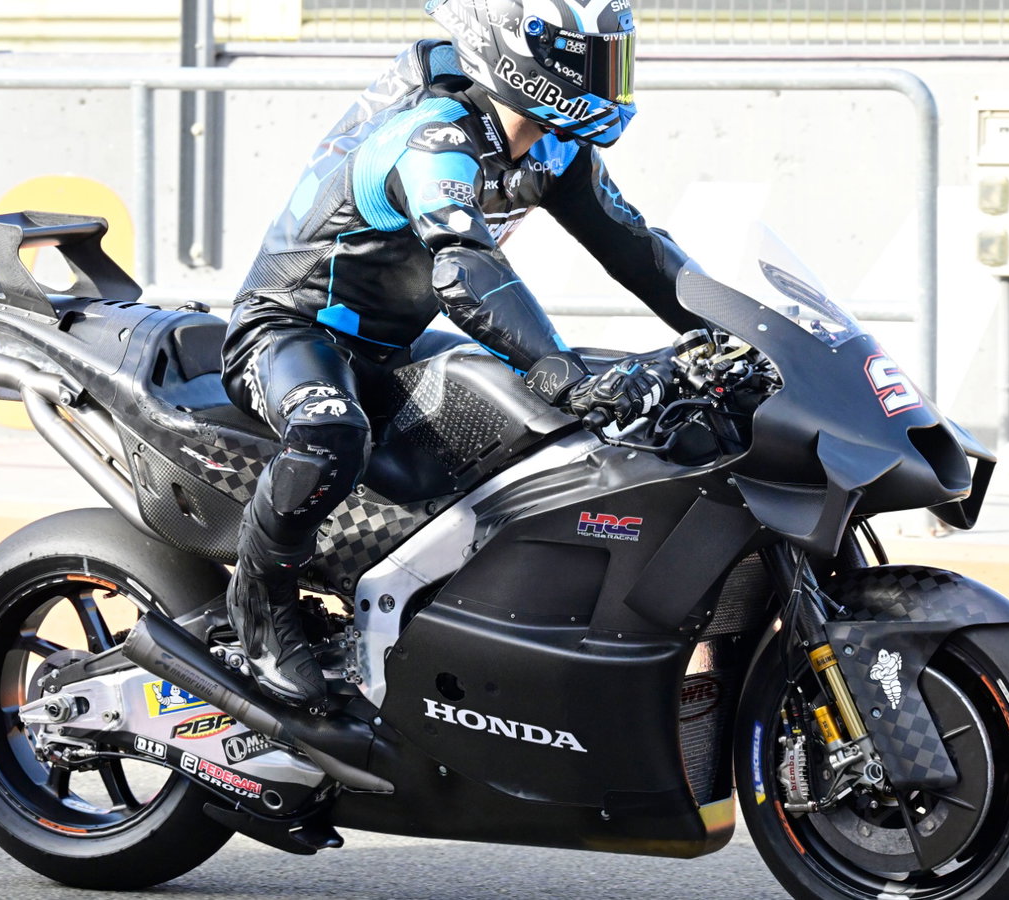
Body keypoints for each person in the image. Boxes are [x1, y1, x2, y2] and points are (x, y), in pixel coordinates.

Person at [220, 0, 704, 712]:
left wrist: (735, 335)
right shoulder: (434, 137)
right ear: (526, 56)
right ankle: (260, 607)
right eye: (592, 62)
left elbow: (638, 252)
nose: (611, 79)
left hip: (393, 346)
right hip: (289, 329)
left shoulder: (554, 144)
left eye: (615, 60)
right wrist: (559, 369)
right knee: (331, 434)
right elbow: (462, 272)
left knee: (542, 430)